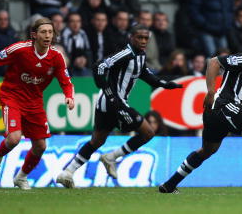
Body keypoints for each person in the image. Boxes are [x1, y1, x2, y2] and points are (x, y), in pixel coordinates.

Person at [159, 25, 242, 194]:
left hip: (217, 111)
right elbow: (214, 62)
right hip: (223, 105)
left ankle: (169, 185)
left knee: (207, 150)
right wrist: (211, 91)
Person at [0, 18, 75, 190]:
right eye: (43, 32)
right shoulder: (20, 49)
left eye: (50, 32)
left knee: (40, 146)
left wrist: (69, 96)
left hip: (34, 102)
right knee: (14, 138)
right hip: (12, 96)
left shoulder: (56, 57)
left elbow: (66, 81)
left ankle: (21, 177)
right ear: (34, 35)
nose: (47, 35)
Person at [56, 24, 183, 188]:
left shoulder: (140, 55)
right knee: (148, 132)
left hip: (109, 103)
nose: (143, 41)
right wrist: (110, 95)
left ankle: (67, 173)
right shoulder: (125, 53)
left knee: (97, 141)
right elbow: (99, 66)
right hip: (113, 104)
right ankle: (111, 157)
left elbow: (145, 74)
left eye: (146, 38)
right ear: (131, 37)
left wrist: (165, 84)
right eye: (140, 37)